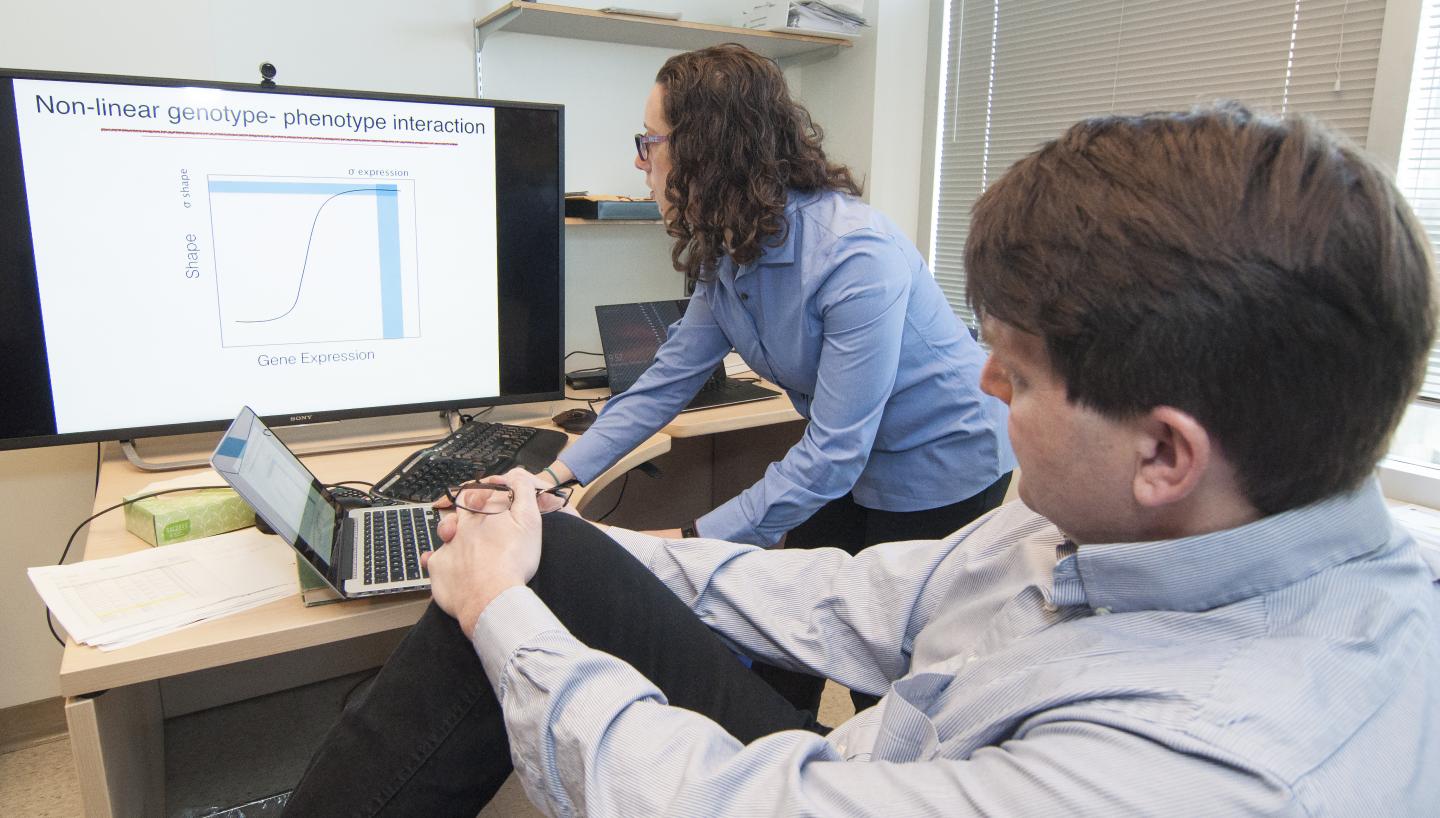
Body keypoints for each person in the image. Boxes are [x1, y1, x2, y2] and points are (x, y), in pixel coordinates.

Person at [284, 103, 1440, 816]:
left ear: (1165, 451)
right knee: (557, 563)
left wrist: (500, 615)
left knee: (519, 611)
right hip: (876, 745)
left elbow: (743, 796)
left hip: (852, 759)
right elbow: (862, 594)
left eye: (1020, 374)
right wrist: (587, 527)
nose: (982, 386)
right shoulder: (1113, 514)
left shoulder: (1206, 767)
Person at [544, 44, 1014, 555]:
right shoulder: (729, 245)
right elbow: (663, 383)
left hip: (945, 457)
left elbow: (834, 452)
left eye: (649, 141)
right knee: (802, 592)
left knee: (877, 626)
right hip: (851, 458)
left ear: (705, 149)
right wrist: (550, 477)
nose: (640, 161)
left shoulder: (853, 255)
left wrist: (688, 541)